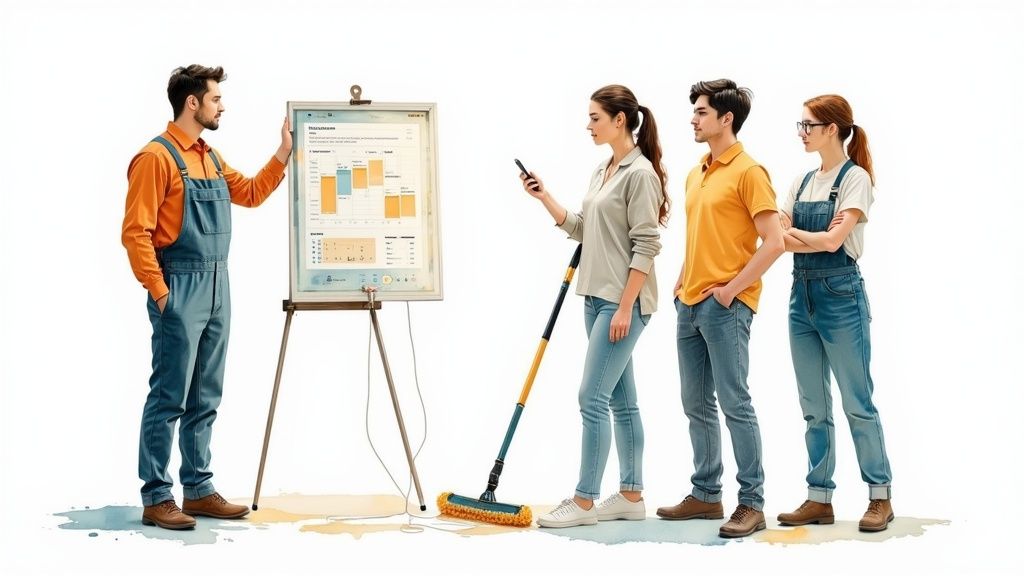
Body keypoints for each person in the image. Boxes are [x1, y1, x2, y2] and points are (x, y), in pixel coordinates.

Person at [121, 65, 291, 530]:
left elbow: (250, 193)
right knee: (169, 396)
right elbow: (135, 233)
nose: (222, 106)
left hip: (219, 286)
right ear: (191, 102)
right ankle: (157, 497)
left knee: (206, 394)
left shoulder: (211, 158)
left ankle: (197, 489)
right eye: (216, 99)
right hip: (180, 286)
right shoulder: (155, 158)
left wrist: (283, 151)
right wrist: (161, 294)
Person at [521, 85, 668, 528]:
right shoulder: (603, 169)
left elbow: (647, 245)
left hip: (622, 303)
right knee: (622, 400)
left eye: (595, 118)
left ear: (619, 120)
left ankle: (584, 502)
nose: (588, 125)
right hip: (595, 297)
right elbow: (586, 229)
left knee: (592, 398)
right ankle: (631, 495)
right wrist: (545, 198)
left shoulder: (640, 174)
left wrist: (625, 308)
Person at [655, 79, 784, 538]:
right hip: (690, 302)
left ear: (726, 118)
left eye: (702, 112)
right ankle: (707, 495)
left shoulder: (750, 171)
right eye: (694, 111)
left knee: (735, 403)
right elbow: (702, 235)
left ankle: (752, 503)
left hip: (726, 306)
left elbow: (774, 242)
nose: (693, 119)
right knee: (695, 403)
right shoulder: (697, 172)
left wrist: (731, 291)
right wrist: (681, 279)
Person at [776, 94, 894, 532]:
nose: (801, 132)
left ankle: (880, 496)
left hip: (841, 295)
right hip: (800, 297)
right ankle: (819, 497)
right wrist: (807, 237)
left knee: (857, 402)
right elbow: (778, 237)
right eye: (801, 124)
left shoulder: (855, 178)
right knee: (813, 406)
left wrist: (796, 235)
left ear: (831, 129)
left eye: (808, 125)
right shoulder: (802, 180)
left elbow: (833, 242)